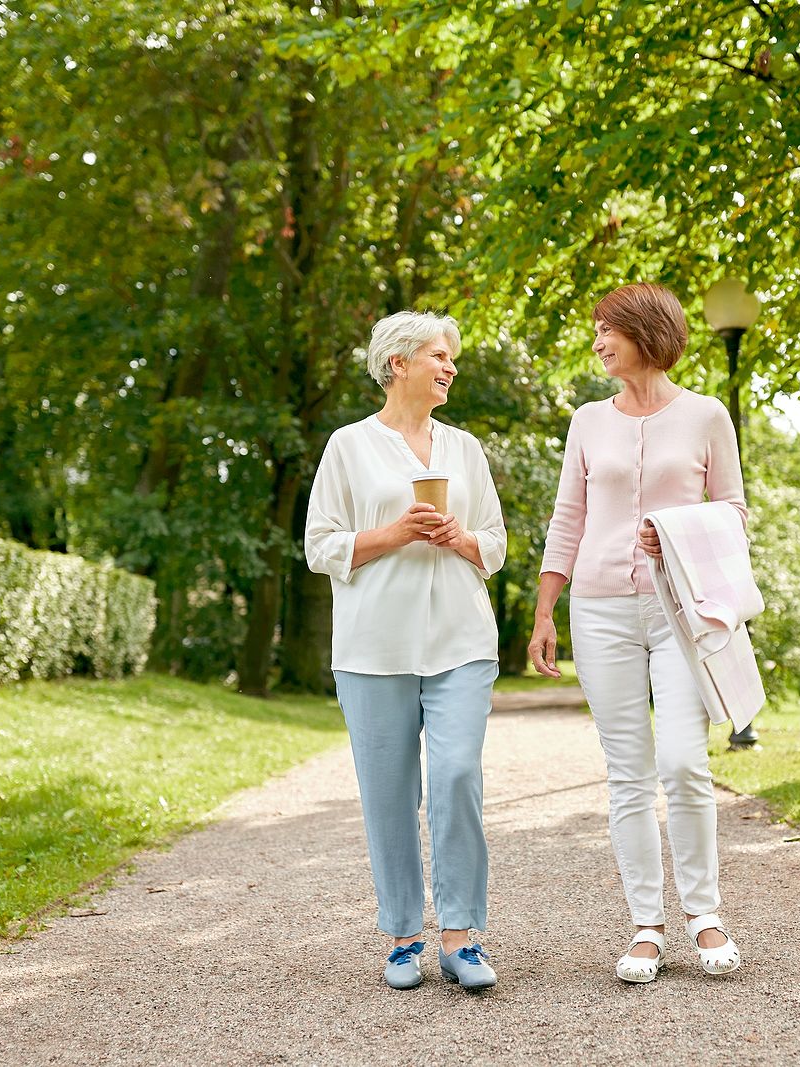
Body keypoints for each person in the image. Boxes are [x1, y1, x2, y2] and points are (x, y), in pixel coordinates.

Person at [529, 282, 747, 983]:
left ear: (648, 332)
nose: (596, 342)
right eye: (594, 329)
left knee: (683, 761)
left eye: (607, 330)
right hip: (598, 609)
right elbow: (568, 516)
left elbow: (735, 511)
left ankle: (704, 914)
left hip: (680, 610)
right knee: (628, 774)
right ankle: (646, 926)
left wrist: (677, 531)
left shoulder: (707, 415)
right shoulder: (588, 421)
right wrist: (545, 610)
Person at [304, 311, 506, 991]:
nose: (450, 368)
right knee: (387, 794)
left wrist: (459, 537)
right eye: (439, 356)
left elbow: (496, 545)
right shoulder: (348, 446)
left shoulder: (466, 449)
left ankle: (460, 937)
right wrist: (393, 533)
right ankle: (402, 937)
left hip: (461, 640)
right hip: (373, 647)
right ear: (399, 363)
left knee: (455, 775)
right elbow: (320, 543)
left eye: (452, 358)